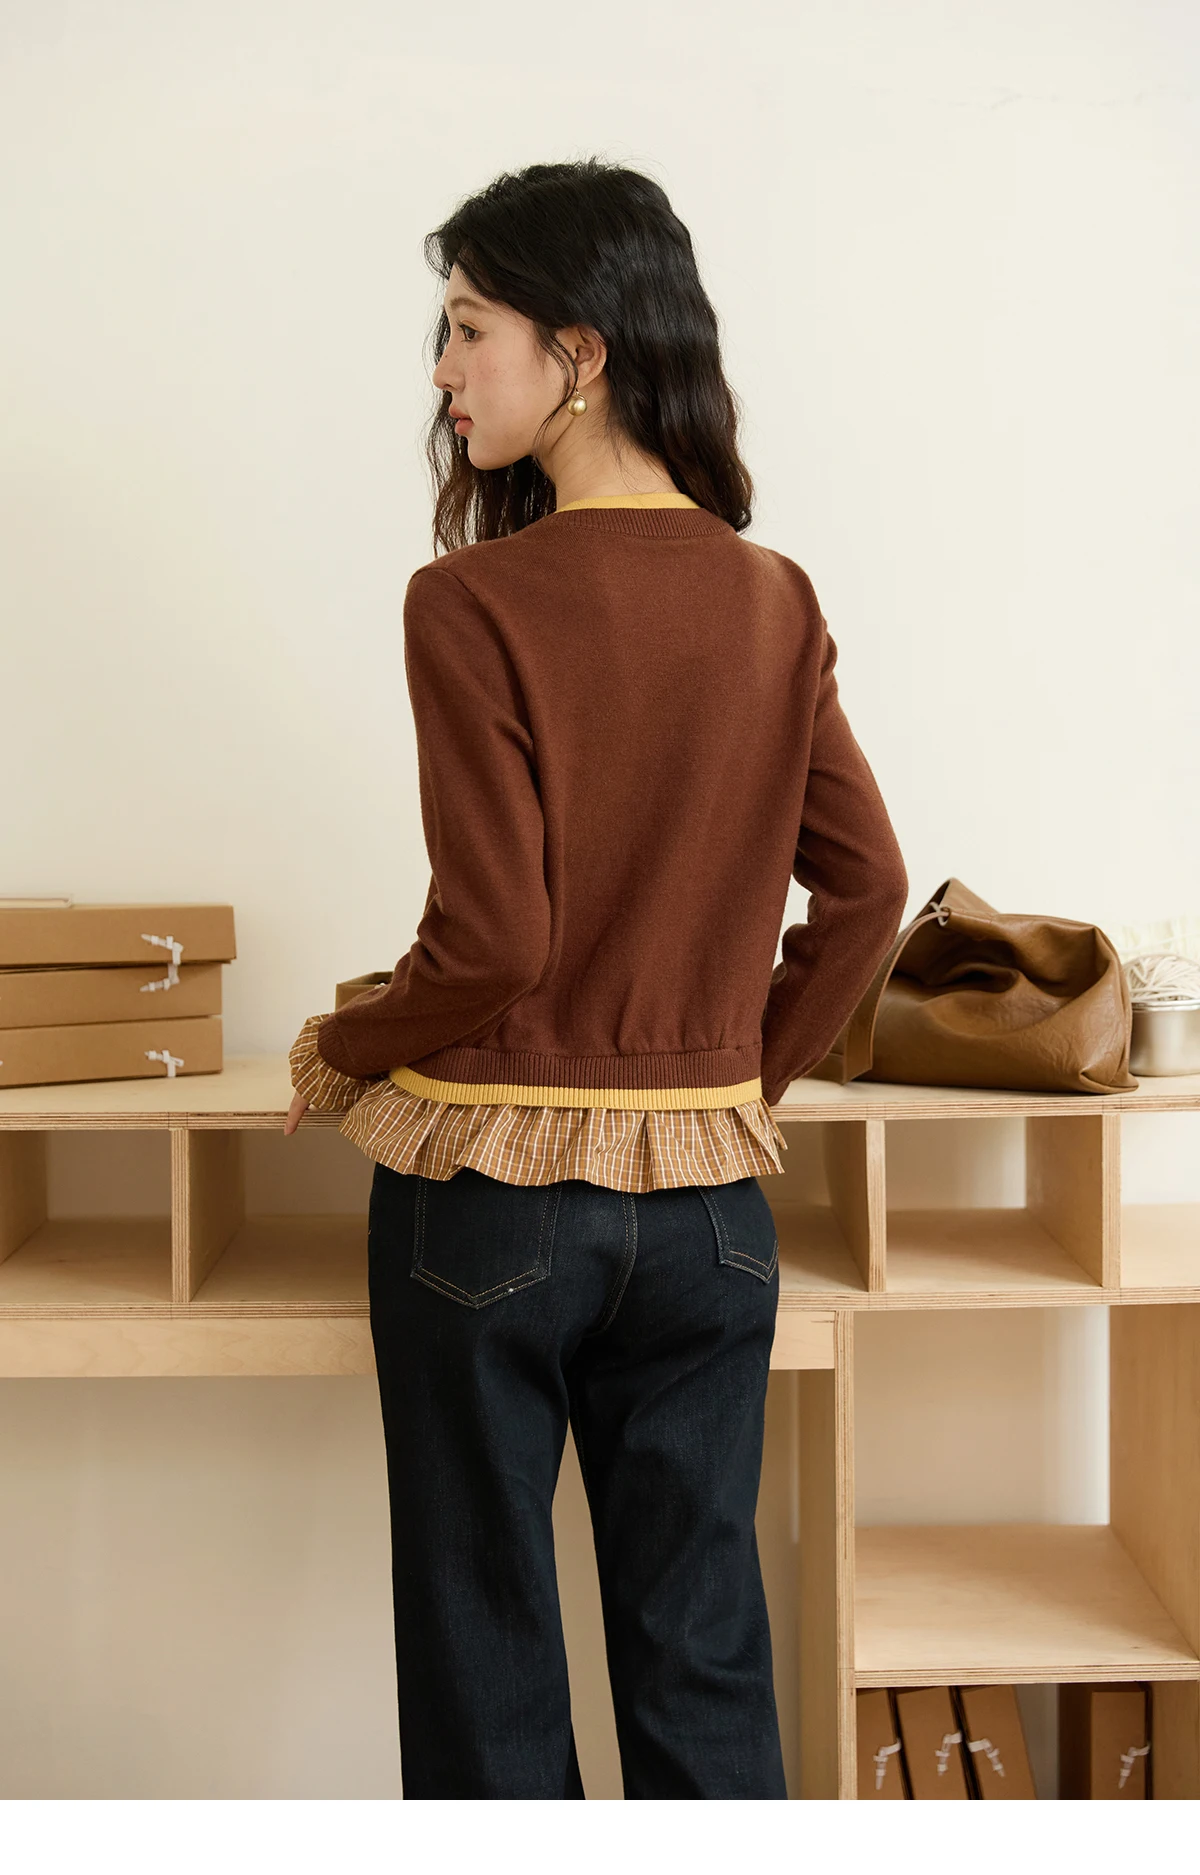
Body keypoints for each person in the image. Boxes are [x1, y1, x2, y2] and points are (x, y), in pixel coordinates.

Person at [285, 158, 908, 1799]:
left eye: (466, 327)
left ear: (580, 352)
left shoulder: (468, 601)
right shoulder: (772, 597)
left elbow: (495, 943)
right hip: (713, 1217)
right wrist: (730, 1074)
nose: (441, 369)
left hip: (490, 1208)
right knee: (703, 1650)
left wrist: (342, 1040)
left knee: (487, 1653)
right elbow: (869, 892)